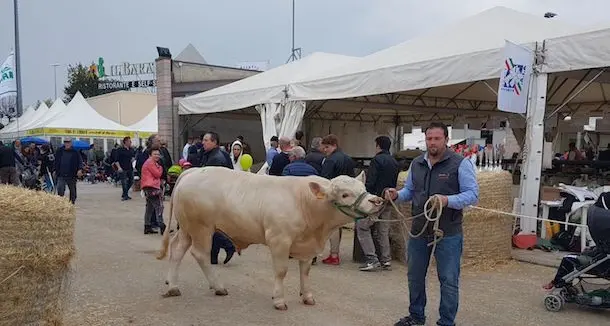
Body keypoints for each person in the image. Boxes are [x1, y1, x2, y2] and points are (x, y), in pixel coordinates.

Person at [385, 122, 479, 326]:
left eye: (437, 138)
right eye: (429, 139)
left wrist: (447, 200)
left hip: (447, 232)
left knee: (448, 280)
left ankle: (446, 322)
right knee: (415, 276)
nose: (433, 142)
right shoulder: (417, 163)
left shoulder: (460, 163)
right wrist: (396, 195)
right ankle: (416, 316)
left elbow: (472, 195)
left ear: (446, 139)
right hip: (419, 230)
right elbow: (410, 191)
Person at [357, 136, 399, 272]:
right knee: (383, 230)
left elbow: (371, 180)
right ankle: (386, 260)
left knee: (362, 227)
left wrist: (366, 195)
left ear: (378, 146)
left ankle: (372, 259)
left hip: (376, 199)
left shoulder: (376, 160)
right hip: (389, 198)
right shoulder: (394, 161)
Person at [319, 134, 357, 265]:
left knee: (333, 226)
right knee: (339, 225)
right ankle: (335, 253)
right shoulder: (348, 158)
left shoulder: (330, 160)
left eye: (327, 147)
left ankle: (334, 255)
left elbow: (324, 179)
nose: (325, 150)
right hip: (347, 196)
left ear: (333, 145)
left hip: (334, 196)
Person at [141, 148, 167, 234]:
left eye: (158, 154)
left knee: (149, 208)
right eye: (155, 154)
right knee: (158, 206)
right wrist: (160, 168)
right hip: (152, 187)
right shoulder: (151, 163)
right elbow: (158, 174)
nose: (157, 156)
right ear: (150, 155)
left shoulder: (149, 162)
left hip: (148, 187)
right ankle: (162, 226)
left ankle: (147, 226)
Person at [54, 138, 83, 204]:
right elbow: (56, 161)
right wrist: (54, 170)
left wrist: (80, 169)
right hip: (61, 174)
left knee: (72, 191)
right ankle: (61, 203)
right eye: (65, 142)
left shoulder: (75, 152)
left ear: (71, 143)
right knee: (60, 189)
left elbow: (80, 162)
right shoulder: (59, 151)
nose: (67, 143)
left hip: (72, 174)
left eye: (68, 142)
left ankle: (71, 203)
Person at [113, 137, 135, 201]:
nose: (130, 142)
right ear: (125, 142)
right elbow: (116, 160)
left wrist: (133, 159)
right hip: (122, 168)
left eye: (130, 141)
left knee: (131, 181)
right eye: (129, 141)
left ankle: (125, 193)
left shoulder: (131, 149)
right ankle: (125, 195)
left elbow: (132, 157)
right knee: (124, 182)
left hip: (130, 167)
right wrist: (119, 167)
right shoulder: (120, 150)